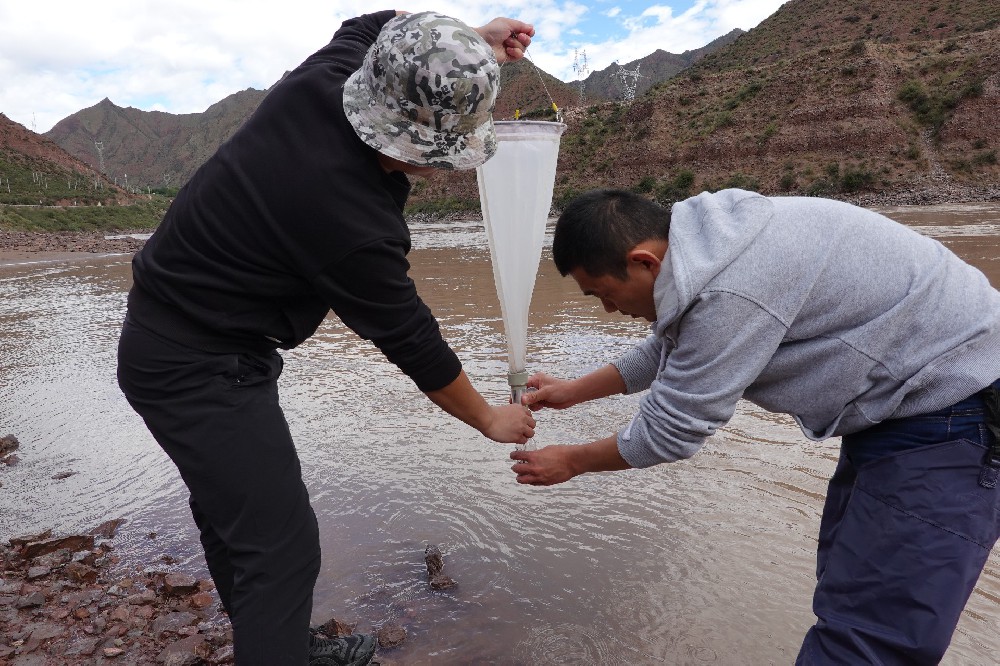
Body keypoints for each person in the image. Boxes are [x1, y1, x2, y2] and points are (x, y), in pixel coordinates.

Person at [116, 10, 537, 666]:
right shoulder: (347, 216)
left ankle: (283, 643)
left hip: (175, 335)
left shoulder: (335, 74)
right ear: (417, 144)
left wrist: (469, 46)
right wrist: (488, 418)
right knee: (281, 550)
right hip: (194, 366)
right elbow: (414, 341)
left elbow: (382, 21)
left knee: (241, 528)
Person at [511, 187, 1000, 664]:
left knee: (870, 639)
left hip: (959, 409)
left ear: (643, 262)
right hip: (908, 408)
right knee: (846, 593)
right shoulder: (709, 243)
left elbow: (672, 430)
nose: (609, 310)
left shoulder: (730, 287)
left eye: (604, 294)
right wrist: (574, 390)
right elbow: (674, 343)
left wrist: (571, 462)